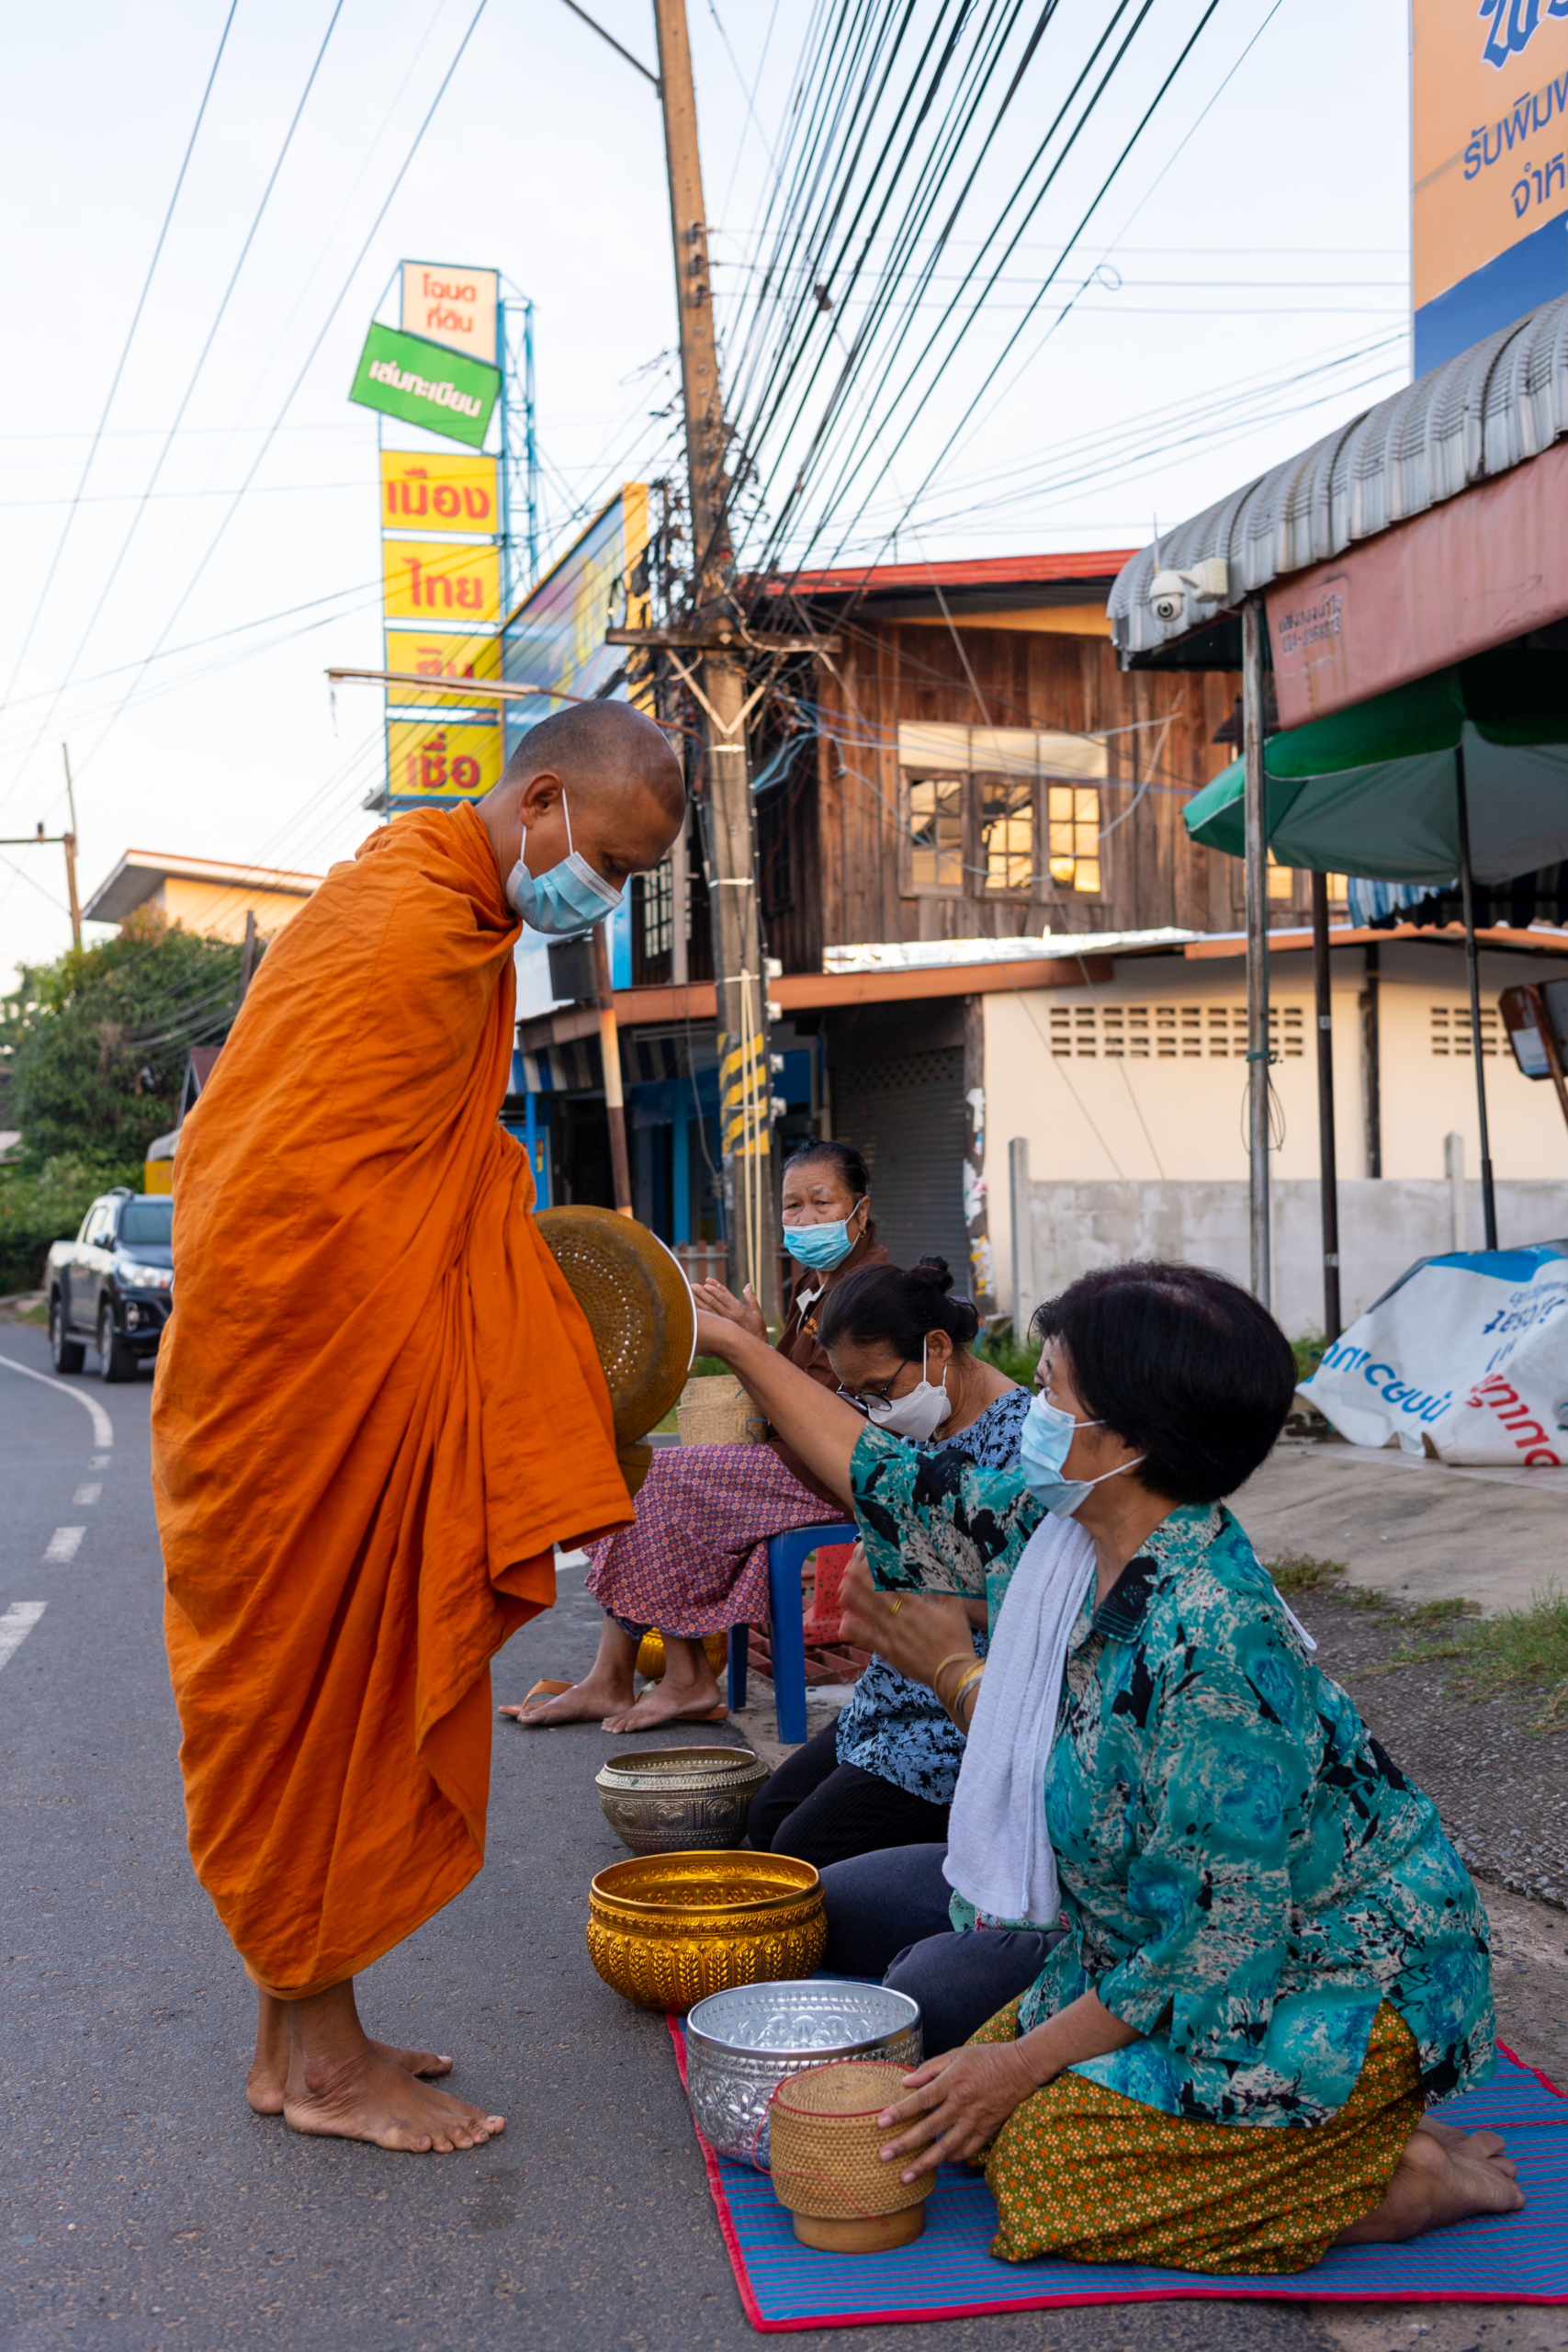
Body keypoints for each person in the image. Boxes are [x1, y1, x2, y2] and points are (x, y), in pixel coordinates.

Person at [692, 1262, 1521, 2274]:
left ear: (1126, 1440)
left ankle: (1402, 2182)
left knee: (1045, 2166)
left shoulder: (1213, 1648)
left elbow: (1220, 1950)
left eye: (1049, 1389)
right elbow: (885, 1473)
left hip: (1338, 1969)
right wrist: (738, 1345)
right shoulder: (1071, 1535)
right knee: (965, 2112)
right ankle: (1321, 2148)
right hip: (1145, 1940)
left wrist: (1022, 2061)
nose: (1028, 1411)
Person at [152, 700, 683, 2154]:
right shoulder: (403, 928)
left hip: (310, 1370)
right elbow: (297, 1197)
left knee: (325, 1704)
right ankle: (327, 2071)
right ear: (545, 800)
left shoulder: (444, 909)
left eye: (630, 881)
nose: (604, 898)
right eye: (610, 863)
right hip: (296, 1390)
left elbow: (415, 1168)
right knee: (322, 1707)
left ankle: (296, 2042)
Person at [513, 1139, 887, 1733]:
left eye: (821, 1203)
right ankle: (611, 1677)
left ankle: (685, 1676)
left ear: (859, 1213)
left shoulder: (870, 1289)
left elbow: (825, 1413)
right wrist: (755, 1345)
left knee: (658, 1479)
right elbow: (788, 1387)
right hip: (790, 1463)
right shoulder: (811, 1288)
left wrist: (742, 1349)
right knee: (633, 1468)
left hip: (830, 1472)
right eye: (792, 1207)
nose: (805, 1219)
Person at [744, 1255, 1027, 1867]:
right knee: (765, 1823)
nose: (875, 1410)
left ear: (936, 1347)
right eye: (857, 1397)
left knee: (800, 1853)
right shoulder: (916, 1425)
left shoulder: (1020, 1441)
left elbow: (1029, 1602)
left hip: (961, 1709)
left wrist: (927, 1599)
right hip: (895, 1690)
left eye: (880, 1390)